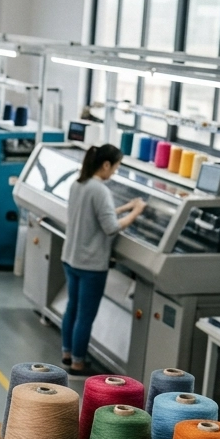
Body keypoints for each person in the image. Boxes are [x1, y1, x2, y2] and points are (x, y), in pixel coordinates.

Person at [60, 144, 145, 375]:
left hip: (71, 257)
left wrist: (125, 207)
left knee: (72, 308)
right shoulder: (100, 190)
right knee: (86, 315)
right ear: (106, 164)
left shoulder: (78, 184)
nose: (115, 172)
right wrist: (136, 211)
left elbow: (93, 215)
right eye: (116, 167)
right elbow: (110, 227)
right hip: (90, 264)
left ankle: (67, 353)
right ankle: (78, 362)